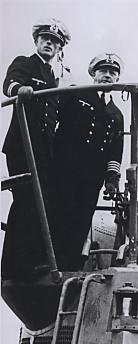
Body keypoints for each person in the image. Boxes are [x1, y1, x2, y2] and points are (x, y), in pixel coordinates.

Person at [1, 18, 71, 280]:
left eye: (54, 42)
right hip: (23, 146)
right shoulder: (25, 63)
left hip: (43, 151)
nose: (49, 44)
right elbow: (9, 84)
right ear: (37, 41)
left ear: (59, 47)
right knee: (25, 203)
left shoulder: (54, 77)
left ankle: (31, 259)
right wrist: (21, 89)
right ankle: (15, 266)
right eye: (46, 40)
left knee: (39, 204)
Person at [51, 53, 124, 270]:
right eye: (103, 71)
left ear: (118, 78)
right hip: (66, 170)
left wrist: (111, 178)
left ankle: (70, 267)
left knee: (81, 221)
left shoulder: (116, 114)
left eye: (112, 73)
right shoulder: (76, 95)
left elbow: (115, 150)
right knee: (60, 216)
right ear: (93, 73)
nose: (107, 76)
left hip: (91, 177)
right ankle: (52, 264)